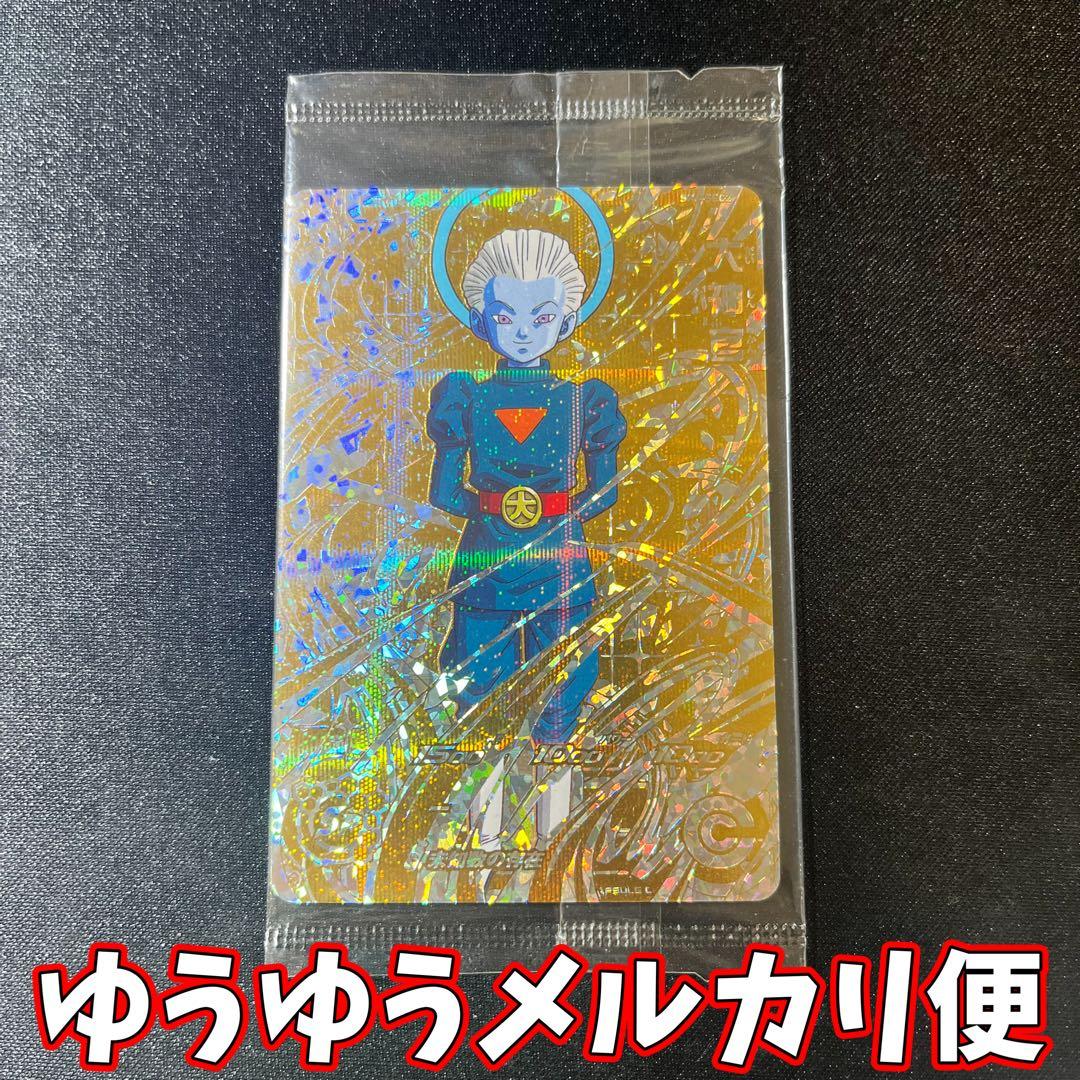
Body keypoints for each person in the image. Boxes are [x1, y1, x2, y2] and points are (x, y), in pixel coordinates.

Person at [427, 228, 626, 843]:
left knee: (557, 687)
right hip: (521, 561)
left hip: (530, 561)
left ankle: (550, 839)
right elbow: (601, 494)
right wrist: (541, 513)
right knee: (493, 688)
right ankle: (495, 835)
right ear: (480, 320)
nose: (520, 332)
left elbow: (448, 494)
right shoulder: (466, 396)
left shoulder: (585, 401)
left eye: (539, 317)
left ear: (565, 321)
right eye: (504, 315)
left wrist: (498, 511)